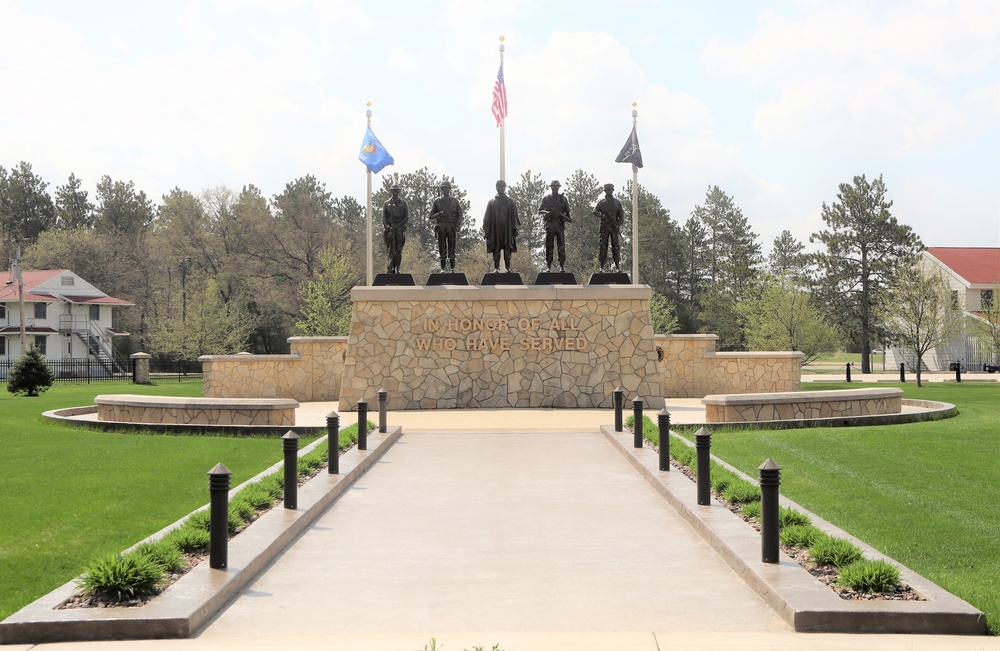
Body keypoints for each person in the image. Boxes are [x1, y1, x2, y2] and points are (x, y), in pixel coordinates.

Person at [483, 179, 519, 273]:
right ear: (496, 188)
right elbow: (487, 217)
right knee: (496, 248)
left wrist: (515, 228)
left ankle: (508, 268)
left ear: (504, 188)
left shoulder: (510, 202)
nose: (500, 189)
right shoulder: (492, 202)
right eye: (499, 187)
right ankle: (496, 268)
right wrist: (486, 230)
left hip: (507, 230)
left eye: (502, 187)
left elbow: (514, 216)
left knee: (508, 249)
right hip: (496, 230)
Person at [538, 180, 573, 272]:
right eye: (553, 186)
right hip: (550, 226)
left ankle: (561, 266)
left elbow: (568, 215)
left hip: (560, 226)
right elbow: (540, 211)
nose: (555, 188)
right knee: (549, 247)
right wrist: (548, 212)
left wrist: (565, 217)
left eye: (557, 186)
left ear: (559, 187)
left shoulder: (563, 199)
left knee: (561, 247)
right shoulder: (546, 198)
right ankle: (548, 267)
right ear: (551, 187)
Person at [429, 180, 463, 271]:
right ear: (441, 189)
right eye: (444, 188)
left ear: (450, 189)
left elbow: (460, 214)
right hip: (441, 227)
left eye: (447, 188)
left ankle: (452, 269)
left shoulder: (454, 201)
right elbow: (431, 216)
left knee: (452, 248)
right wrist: (438, 214)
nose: (446, 190)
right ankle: (443, 269)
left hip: (451, 227)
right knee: (442, 248)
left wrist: (457, 225)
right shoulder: (437, 201)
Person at [593, 183, 624, 271]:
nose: (609, 191)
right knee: (603, 246)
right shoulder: (601, 202)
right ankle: (601, 267)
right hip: (604, 227)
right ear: (605, 190)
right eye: (607, 189)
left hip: (614, 228)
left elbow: (621, 216)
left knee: (616, 247)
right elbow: (594, 211)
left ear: (613, 190)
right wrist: (602, 216)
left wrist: (618, 224)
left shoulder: (617, 203)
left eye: (610, 189)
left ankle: (617, 266)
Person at [382, 183, 408, 274]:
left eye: (397, 190)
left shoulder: (403, 203)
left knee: (399, 251)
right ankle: (391, 268)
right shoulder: (387, 203)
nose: (395, 192)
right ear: (391, 191)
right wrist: (388, 226)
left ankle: (398, 268)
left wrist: (399, 225)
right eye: (393, 190)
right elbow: (384, 217)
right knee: (390, 250)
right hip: (390, 229)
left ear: (399, 191)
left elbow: (406, 217)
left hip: (399, 229)